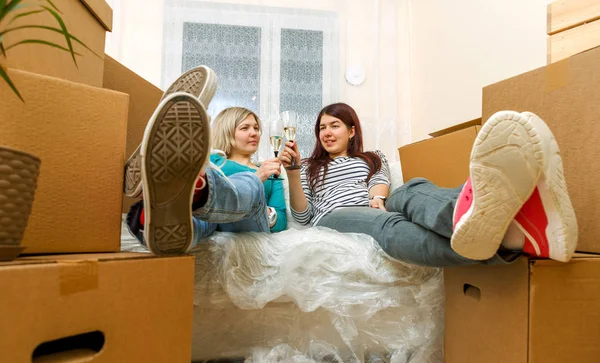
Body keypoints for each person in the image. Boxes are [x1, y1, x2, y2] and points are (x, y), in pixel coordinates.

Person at [279, 102, 578, 266]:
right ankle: (509, 238)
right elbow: (304, 218)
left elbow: (380, 179)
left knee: (413, 188)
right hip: (337, 214)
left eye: (334, 125)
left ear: (352, 131)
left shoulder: (372, 157)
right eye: (321, 128)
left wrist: (378, 198)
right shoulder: (308, 167)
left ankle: (495, 224)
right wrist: (293, 173)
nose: (327, 133)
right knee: (391, 227)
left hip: (375, 203)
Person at [124, 70, 286, 255]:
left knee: (252, 185)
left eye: (256, 128)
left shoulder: (269, 170)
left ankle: (197, 191)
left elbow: (280, 222)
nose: (255, 133)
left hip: (248, 222)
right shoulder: (213, 160)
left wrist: (258, 180)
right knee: (200, 217)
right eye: (245, 128)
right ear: (227, 132)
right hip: (209, 217)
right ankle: (153, 221)